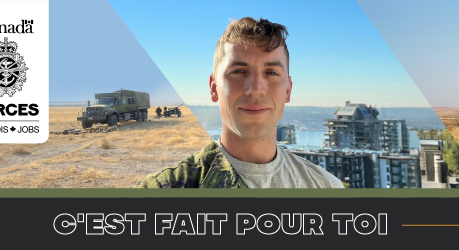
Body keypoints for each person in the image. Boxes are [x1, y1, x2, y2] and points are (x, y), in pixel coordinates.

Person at [136, 17, 343, 188]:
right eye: (238, 72)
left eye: (271, 72)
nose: (255, 88)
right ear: (213, 87)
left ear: (288, 90)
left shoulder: (326, 187)